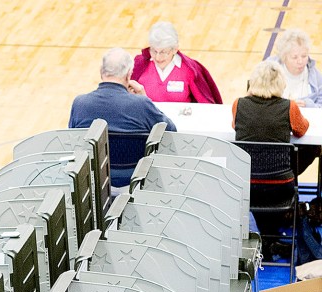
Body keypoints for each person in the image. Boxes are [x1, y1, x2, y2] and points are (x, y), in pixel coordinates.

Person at [68, 48, 177, 186]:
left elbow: (72, 139)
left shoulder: (80, 103)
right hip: (135, 179)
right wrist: (145, 98)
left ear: (101, 72)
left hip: (95, 180)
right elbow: (171, 131)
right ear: (128, 75)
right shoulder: (141, 104)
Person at [233, 60, 312, 240]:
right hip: (280, 186)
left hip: (247, 185)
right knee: (313, 149)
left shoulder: (239, 104)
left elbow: (235, 125)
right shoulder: (289, 106)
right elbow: (302, 130)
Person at [132, 22, 223, 104]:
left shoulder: (190, 70)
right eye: (154, 51)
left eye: (163, 52)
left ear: (175, 49)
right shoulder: (139, 65)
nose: (158, 57)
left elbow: (206, 105)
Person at [274, 28, 322, 108]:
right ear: (284, 57)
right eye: (294, 57)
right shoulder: (270, 72)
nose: (300, 61)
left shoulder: (315, 76)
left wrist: (309, 105)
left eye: (304, 56)